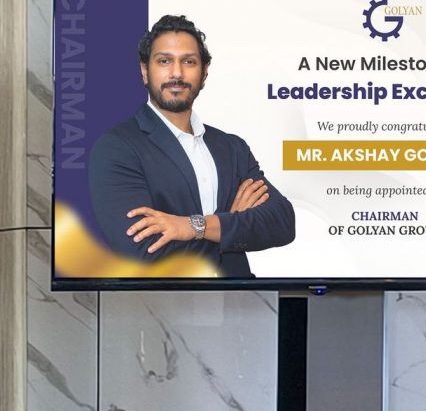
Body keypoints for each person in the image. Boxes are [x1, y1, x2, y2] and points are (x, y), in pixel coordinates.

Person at [88, 14, 295, 277]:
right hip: (166, 302)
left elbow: (283, 223)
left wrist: (193, 226)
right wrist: (230, 225)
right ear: (144, 71)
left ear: (204, 73)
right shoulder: (117, 148)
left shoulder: (232, 148)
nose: (177, 73)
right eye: (164, 61)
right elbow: (145, 252)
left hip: (243, 299)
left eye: (189, 61)